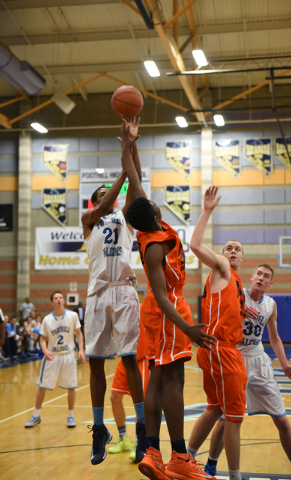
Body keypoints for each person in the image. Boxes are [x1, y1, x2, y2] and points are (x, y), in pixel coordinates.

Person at [125, 195, 216, 479]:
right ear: (154, 216)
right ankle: (179, 457)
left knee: (157, 376)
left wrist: (129, 150)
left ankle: (153, 453)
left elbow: (136, 187)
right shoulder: (153, 248)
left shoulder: (150, 227)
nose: (154, 202)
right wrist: (187, 328)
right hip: (168, 312)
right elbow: (164, 297)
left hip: (158, 312)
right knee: (173, 378)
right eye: (153, 204)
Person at [194, 264, 291, 480]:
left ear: (270, 283)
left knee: (282, 420)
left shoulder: (271, 305)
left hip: (258, 361)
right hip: (234, 358)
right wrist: (239, 309)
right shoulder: (238, 294)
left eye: (266, 276)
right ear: (251, 276)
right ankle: (211, 466)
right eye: (258, 274)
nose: (261, 278)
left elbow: (274, 337)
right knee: (224, 419)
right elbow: (220, 314)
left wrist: (284, 365)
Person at [82, 117, 148, 466]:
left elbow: (134, 188)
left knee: (129, 359)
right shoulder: (89, 219)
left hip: (123, 291)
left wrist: (131, 146)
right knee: (95, 363)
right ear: (95, 200)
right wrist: (122, 159)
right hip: (96, 294)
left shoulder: (125, 217)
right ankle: (99, 429)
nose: (112, 195)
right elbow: (109, 200)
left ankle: (140, 429)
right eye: (104, 192)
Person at [185, 186, 247, 480]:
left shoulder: (236, 284)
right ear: (224, 255)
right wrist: (208, 210)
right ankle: (234, 476)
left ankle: (186, 457)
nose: (232, 251)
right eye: (229, 248)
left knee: (214, 409)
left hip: (216, 350)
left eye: (237, 249)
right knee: (233, 419)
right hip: (222, 350)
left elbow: (235, 307)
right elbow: (195, 245)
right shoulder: (222, 268)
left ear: (242, 259)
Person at [24, 291, 85, 428]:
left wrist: (81, 350)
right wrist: (45, 350)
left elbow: (79, 333)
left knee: (71, 387)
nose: (59, 300)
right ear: (52, 302)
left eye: (61, 298)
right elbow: (42, 339)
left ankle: (70, 416)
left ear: (63, 301)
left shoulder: (73, 315)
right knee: (42, 386)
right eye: (56, 298)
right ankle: (36, 415)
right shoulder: (47, 319)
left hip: (68, 355)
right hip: (53, 356)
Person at [108, 314, 149, 461]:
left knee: (140, 402)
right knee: (114, 397)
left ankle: (140, 440)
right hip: (124, 359)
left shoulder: (143, 307)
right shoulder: (117, 312)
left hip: (141, 359)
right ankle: (123, 438)